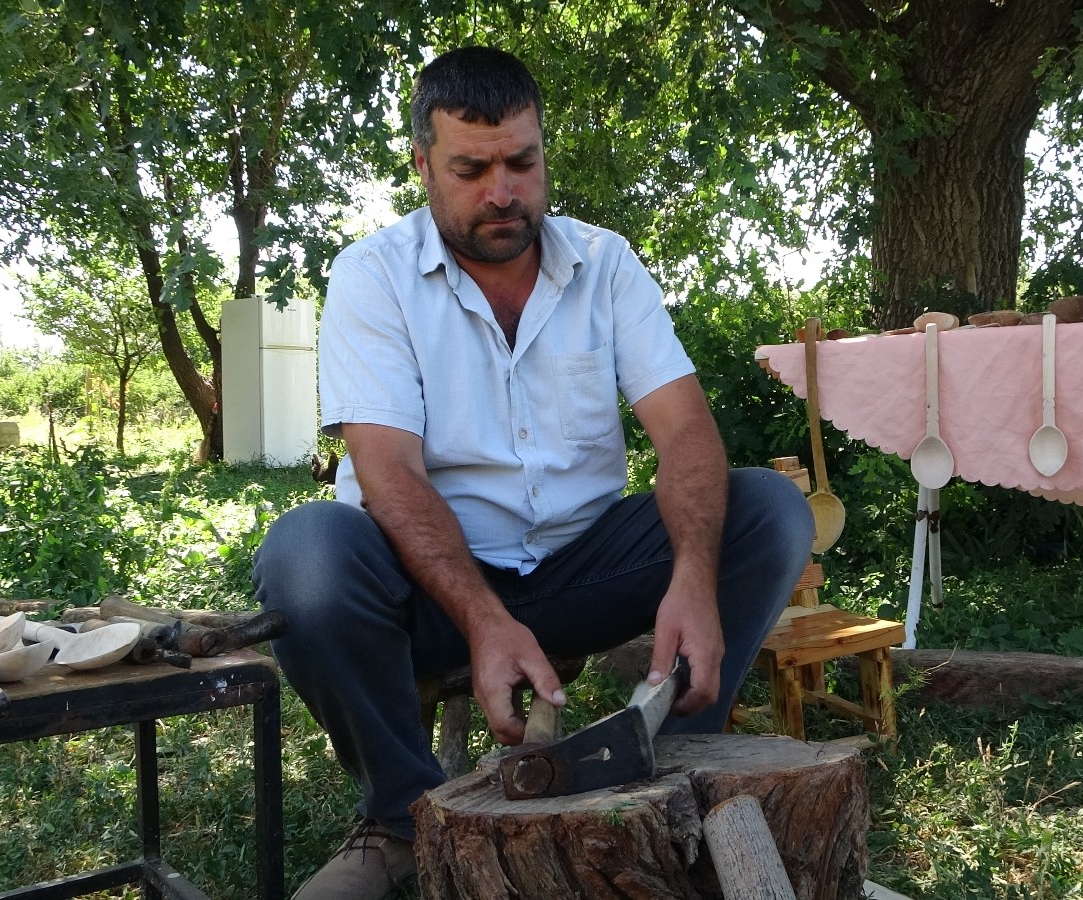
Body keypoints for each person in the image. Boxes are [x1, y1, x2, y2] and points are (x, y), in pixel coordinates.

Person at [252, 46, 814, 900]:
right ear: (423, 167)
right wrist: (483, 621)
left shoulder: (606, 263)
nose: (503, 191)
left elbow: (686, 432)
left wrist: (693, 579)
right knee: (306, 556)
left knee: (768, 510)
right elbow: (388, 471)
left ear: (545, 150)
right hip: (430, 592)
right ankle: (402, 816)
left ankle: (676, 765)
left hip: (583, 567)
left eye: (522, 161)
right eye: (471, 169)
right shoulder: (373, 277)